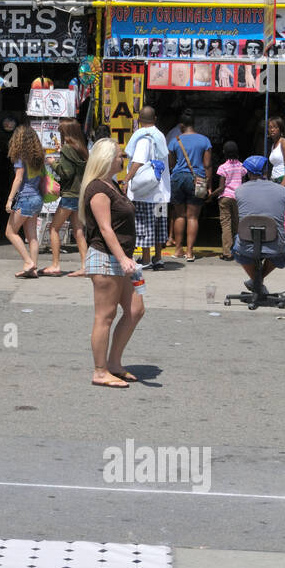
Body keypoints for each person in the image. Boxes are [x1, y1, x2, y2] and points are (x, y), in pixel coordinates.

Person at [78, 138, 144, 388]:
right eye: (120, 155)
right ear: (107, 158)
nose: (123, 159)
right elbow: (105, 229)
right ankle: (100, 370)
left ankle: (114, 363)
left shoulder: (112, 184)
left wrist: (127, 260)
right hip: (107, 258)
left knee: (136, 310)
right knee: (105, 316)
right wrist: (123, 259)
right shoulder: (98, 189)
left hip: (122, 259)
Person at [233, 155, 285, 288]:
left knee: (236, 246)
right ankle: (258, 281)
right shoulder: (282, 190)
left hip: (246, 246)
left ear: (248, 173)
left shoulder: (239, 191)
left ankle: (256, 281)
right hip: (275, 246)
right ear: (267, 172)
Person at [124, 106, 171, 269]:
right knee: (159, 225)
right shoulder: (160, 136)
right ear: (155, 119)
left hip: (146, 192)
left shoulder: (144, 138)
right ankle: (158, 258)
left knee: (144, 225)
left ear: (138, 119)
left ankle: (145, 259)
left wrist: (126, 180)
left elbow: (138, 161)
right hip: (161, 192)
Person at [44, 118, 89, 276]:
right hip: (80, 193)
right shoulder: (81, 148)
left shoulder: (67, 149)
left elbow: (66, 173)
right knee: (78, 230)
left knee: (54, 228)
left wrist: (53, 163)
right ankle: (85, 266)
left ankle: (56, 265)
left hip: (69, 194)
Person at [168, 110, 212, 261]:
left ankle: (178, 249)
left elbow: (171, 164)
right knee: (193, 217)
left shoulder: (175, 140)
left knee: (179, 215)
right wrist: (209, 184)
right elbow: (207, 165)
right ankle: (190, 252)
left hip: (178, 178)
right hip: (198, 179)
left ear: (181, 125)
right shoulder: (204, 141)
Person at [4, 125, 46, 278]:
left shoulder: (21, 156)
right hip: (36, 198)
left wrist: (9, 200)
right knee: (32, 237)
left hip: (25, 198)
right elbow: (41, 178)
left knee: (10, 232)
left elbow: (19, 178)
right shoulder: (38, 157)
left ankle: (28, 262)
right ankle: (33, 270)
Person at [211, 141, 246, 260]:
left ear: (224, 153)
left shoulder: (223, 167)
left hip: (225, 198)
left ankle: (227, 252)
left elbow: (221, 188)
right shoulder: (241, 166)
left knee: (226, 225)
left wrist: (210, 196)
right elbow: (244, 184)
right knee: (237, 224)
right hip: (238, 198)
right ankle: (238, 251)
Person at [267, 117, 285, 189]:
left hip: (283, 180)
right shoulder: (273, 145)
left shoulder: (284, 142)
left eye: (275, 127)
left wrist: (282, 185)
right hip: (274, 181)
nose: (272, 130)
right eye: (270, 127)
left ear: (280, 129)